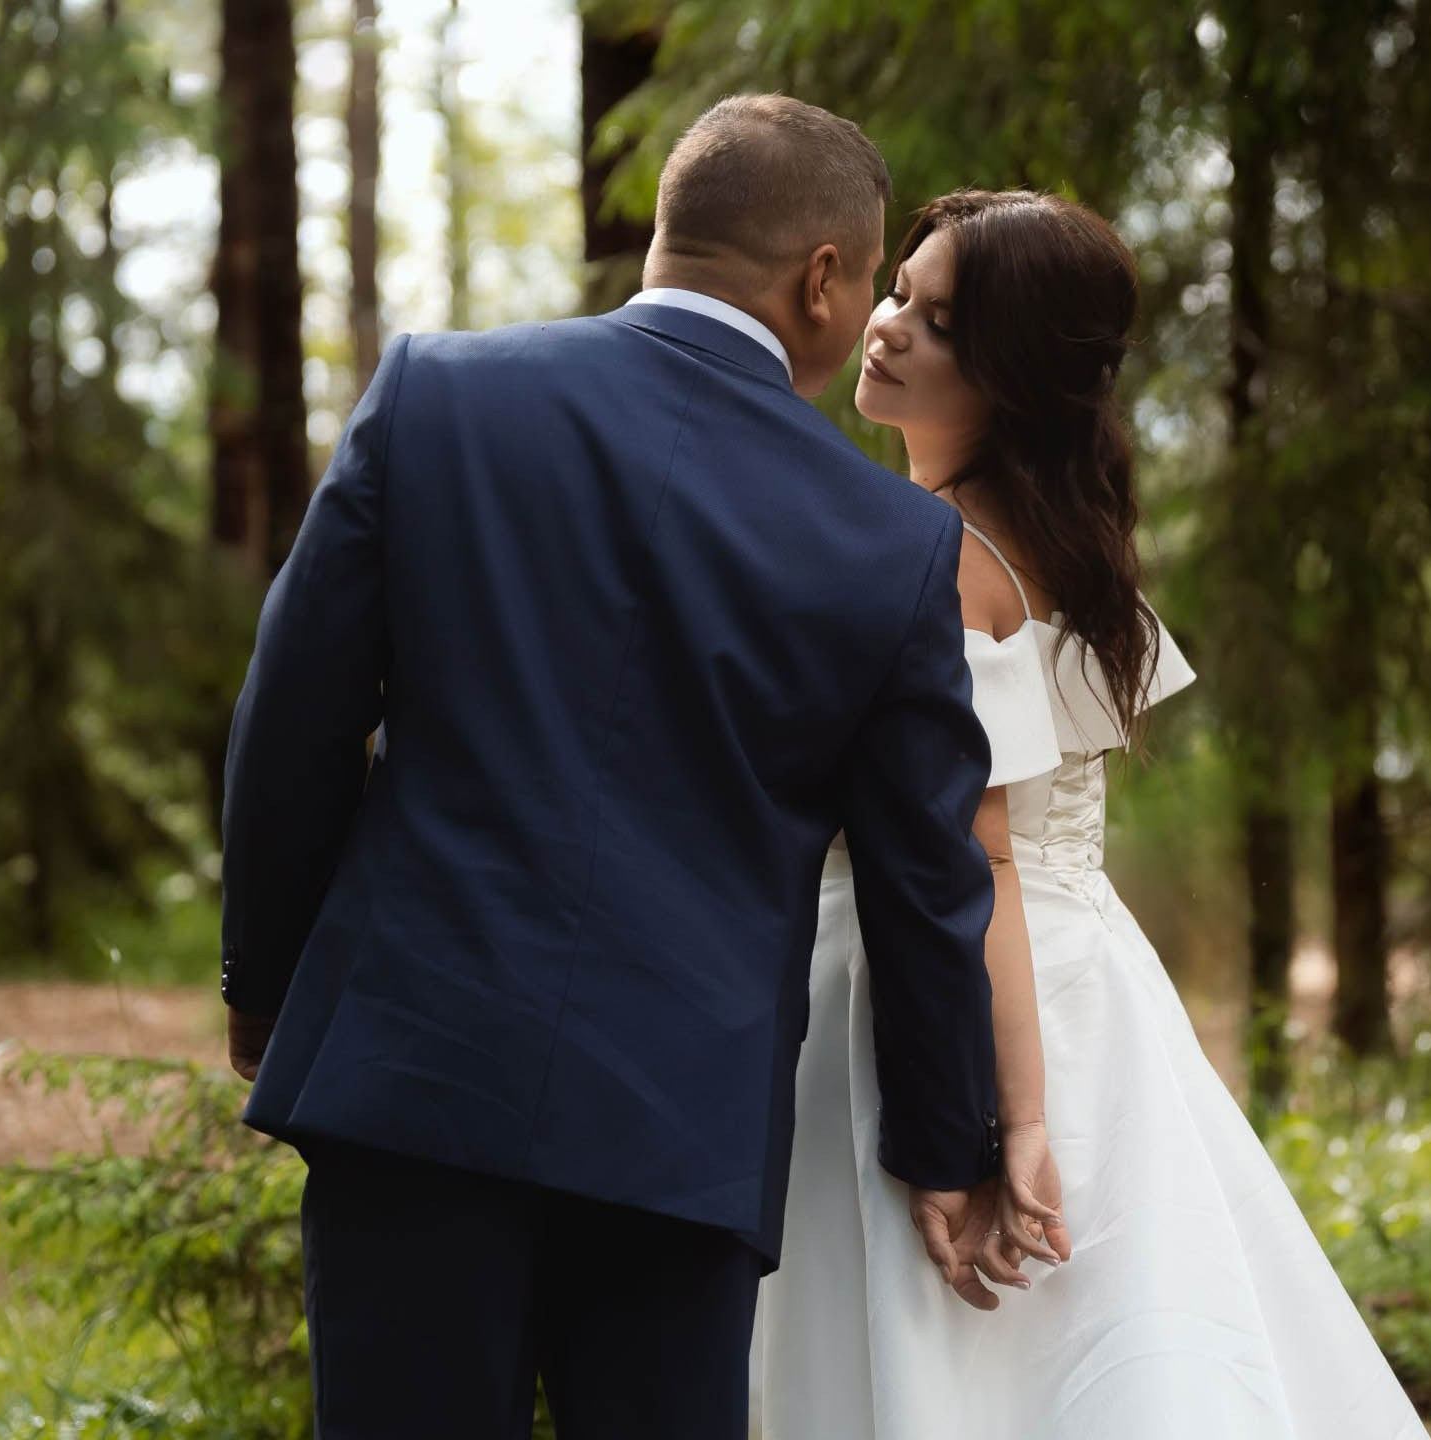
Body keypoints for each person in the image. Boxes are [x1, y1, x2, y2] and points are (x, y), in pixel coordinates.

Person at [216, 95, 1007, 1440]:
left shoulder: (435, 398)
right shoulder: (889, 544)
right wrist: (944, 1144)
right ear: (823, 279)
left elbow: (291, 721)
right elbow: (924, 878)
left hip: (414, 1082)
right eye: (870, 277)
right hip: (678, 1136)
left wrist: (270, 992)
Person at [753, 189, 1431, 1440]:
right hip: (1091, 982)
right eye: (899, 292)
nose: (890, 326)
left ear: (1006, 373)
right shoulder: (1056, 541)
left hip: (957, 991)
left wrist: (1012, 1118)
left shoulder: (946, 554)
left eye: (937, 318)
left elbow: (981, 859)